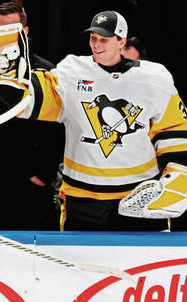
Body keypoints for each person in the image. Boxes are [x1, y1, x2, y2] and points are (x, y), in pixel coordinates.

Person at [13, 11, 187, 230]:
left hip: (140, 196)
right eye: (93, 38)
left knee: (143, 263)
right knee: (80, 264)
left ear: (121, 41)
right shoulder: (72, 71)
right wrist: (13, 79)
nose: (96, 44)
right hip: (84, 199)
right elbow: (32, 103)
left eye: (104, 39)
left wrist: (180, 173)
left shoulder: (154, 78)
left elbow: (175, 129)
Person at [0, 2, 64, 230]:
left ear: (25, 32)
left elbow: (60, 127)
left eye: (11, 30)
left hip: (30, 182)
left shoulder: (46, 70)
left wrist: (44, 173)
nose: (4, 37)